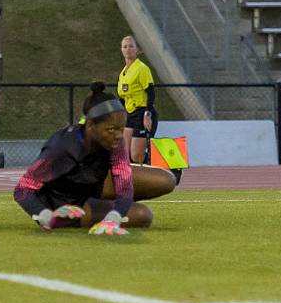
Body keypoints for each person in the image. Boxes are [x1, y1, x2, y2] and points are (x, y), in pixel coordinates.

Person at [13, 82, 175, 235]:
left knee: (166, 179)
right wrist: (46, 215)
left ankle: (103, 206)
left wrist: (114, 217)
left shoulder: (115, 143)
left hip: (92, 185)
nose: (119, 135)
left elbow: (124, 187)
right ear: (90, 126)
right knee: (142, 215)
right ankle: (67, 220)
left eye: (121, 129)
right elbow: (22, 189)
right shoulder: (62, 147)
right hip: (63, 203)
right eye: (111, 129)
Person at [118, 35, 157, 164]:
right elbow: (122, 98)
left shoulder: (141, 68)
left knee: (136, 156)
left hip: (142, 112)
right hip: (130, 114)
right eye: (125, 46)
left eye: (131, 46)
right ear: (121, 50)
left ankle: (160, 169)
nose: (128, 49)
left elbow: (151, 92)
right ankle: (133, 182)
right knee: (126, 154)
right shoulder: (123, 73)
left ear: (136, 49)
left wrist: (147, 114)